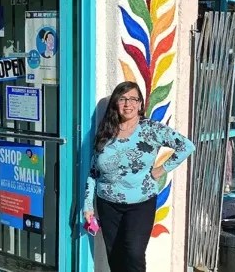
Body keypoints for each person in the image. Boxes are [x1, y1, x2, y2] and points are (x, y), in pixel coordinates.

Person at [83, 81, 195, 272]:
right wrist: (87, 205)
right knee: (115, 255)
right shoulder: (107, 129)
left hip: (140, 204)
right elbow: (94, 171)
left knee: (134, 254)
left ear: (140, 103)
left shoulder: (151, 129)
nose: (128, 104)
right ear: (116, 103)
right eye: (122, 99)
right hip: (107, 204)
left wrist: (161, 169)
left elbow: (186, 146)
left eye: (133, 99)